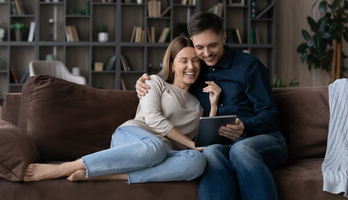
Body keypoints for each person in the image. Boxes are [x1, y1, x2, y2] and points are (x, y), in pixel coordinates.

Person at [23, 36, 223, 184]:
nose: (191, 66)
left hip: (162, 155)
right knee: (155, 148)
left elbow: (202, 143)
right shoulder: (154, 82)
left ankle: (110, 175)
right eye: (184, 60)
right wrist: (188, 142)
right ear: (171, 65)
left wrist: (213, 106)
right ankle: (65, 167)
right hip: (134, 138)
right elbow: (152, 118)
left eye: (195, 60)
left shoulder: (199, 104)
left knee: (196, 161)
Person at [135, 12, 288, 200]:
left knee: (241, 150)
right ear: (192, 42)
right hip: (224, 143)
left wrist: (245, 127)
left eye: (213, 45)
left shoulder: (249, 66)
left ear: (223, 37)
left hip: (265, 138)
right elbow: (169, 78)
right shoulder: (196, 70)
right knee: (211, 152)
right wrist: (143, 81)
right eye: (199, 47)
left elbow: (271, 114)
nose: (206, 54)